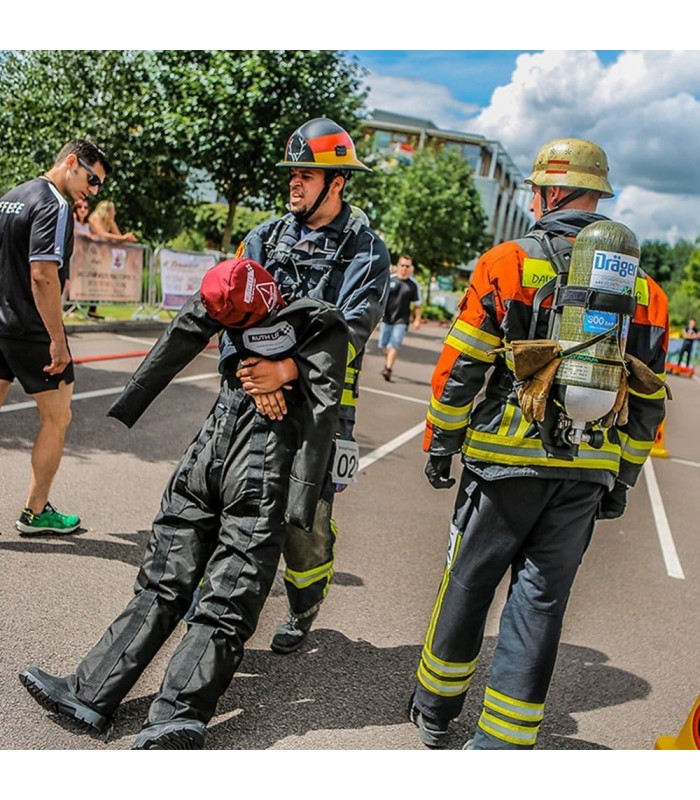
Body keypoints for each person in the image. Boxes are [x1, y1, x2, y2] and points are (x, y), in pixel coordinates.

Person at [19, 257, 349, 750]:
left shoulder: (307, 305)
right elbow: (324, 389)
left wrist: (284, 369)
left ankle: (170, 714)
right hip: (243, 456)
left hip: (230, 450)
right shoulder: (313, 316)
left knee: (202, 589)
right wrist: (270, 369)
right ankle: (104, 696)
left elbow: (188, 329)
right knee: (197, 586)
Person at [408, 137, 670, 750]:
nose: (531, 199)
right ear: (595, 195)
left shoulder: (507, 262)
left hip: (505, 460)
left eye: (534, 190)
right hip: (588, 468)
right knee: (541, 602)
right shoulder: (646, 291)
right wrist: (622, 480)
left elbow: (464, 362)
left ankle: (436, 708)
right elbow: (650, 398)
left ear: (552, 191)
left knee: (468, 582)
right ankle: (503, 742)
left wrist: (442, 440)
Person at [231, 117, 390, 654]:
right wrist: (254, 374)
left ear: (337, 182)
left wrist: (287, 371)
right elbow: (230, 312)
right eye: (292, 173)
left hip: (322, 411)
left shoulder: (366, 251)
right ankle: (213, 604)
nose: (294, 182)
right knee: (236, 498)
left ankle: (303, 605)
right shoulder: (265, 237)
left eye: (307, 173)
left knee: (307, 521)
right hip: (258, 396)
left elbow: (352, 330)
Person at [0, 139, 112, 535]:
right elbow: (44, 274)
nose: (93, 190)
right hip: (30, 330)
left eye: (99, 186)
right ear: (70, 162)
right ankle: (35, 512)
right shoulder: (54, 204)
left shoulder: (11, 196)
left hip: (0, 322)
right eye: (92, 179)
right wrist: (58, 340)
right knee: (58, 416)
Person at [86, 199, 137, 319]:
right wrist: (123, 238)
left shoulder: (109, 220)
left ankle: (92, 309)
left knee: (99, 281)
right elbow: (102, 234)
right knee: (88, 279)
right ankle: (76, 307)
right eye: (113, 210)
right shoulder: (95, 217)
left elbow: (117, 235)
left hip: (101, 256)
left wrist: (126, 238)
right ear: (107, 210)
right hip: (90, 254)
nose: (115, 213)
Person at [379, 253, 422, 381]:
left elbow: (417, 305)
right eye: (402, 265)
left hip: (401, 320)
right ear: (397, 266)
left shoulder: (413, 285)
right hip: (386, 318)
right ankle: (388, 363)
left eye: (407, 266)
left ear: (411, 268)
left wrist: (417, 320)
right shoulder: (390, 279)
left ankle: (388, 369)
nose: (404, 268)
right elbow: (381, 299)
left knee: (395, 343)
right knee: (384, 345)